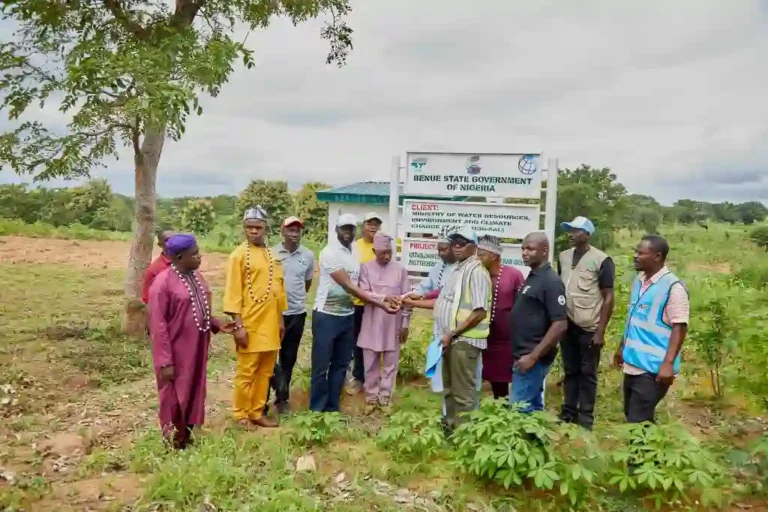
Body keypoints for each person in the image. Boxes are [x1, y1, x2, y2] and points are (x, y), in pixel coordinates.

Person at [147, 234, 233, 449]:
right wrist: (165, 362)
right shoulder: (162, 283)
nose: (199, 256)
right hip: (176, 350)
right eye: (194, 254)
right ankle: (172, 440)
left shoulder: (196, 277)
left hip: (197, 347)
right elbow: (158, 325)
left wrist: (217, 324)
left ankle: (189, 433)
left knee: (195, 388)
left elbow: (198, 309)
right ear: (178, 257)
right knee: (174, 394)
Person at [311, 214, 399, 413]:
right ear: (336, 230)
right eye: (344, 228)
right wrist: (380, 303)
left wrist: (383, 297)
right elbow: (349, 286)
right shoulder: (329, 252)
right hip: (326, 315)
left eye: (351, 228)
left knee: (341, 365)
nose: (347, 232)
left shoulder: (355, 254)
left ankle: (332, 408)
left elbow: (360, 287)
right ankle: (316, 410)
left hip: (347, 316)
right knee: (321, 366)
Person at [224, 206, 287, 429]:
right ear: (244, 228)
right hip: (249, 324)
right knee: (247, 371)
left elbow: (279, 289)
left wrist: (280, 320)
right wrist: (238, 326)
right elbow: (232, 293)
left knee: (266, 370)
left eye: (257, 227)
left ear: (265, 228)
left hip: (271, 324)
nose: (253, 231)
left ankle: (256, 411)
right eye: (249, 227)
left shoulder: (272, 254)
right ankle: (240, 414)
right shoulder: (238, 256)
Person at [614, 235, 689, 424]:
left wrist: (668, 364)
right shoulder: (639, 280)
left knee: (638, 421)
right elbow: (633, 318)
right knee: (633, 415)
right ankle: (648, 452)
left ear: (657, 256)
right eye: (635, 251)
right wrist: (622, 347)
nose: (635, 256)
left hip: (653, 370)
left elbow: (679, 326)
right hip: (633, 363)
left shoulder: (673, 287)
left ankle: (641, 454)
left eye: (640, 253)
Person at [557, 216, 615, 430]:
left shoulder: (602, 260)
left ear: (587, 234)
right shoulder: (563, 257)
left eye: (576, 230)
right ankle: (568, 411)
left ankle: (586, 418)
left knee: (587, 373)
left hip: (589, 326)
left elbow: (608, 296)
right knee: (570, 370)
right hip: (566, 324)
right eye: (569, 229)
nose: (571, 234)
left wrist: (600, 331)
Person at [434, 226, 491, 432]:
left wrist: (453, 333)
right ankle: (450, 430)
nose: (456, 247)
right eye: (454, 243)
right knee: (449, 390)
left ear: (474, 247)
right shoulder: (459, 268)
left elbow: (479, 312)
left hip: (464, 341)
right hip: (451, 340)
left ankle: (463, 438)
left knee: (463, 394)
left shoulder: (476, 271)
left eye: (462, 243)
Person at [509, 232, 568, 413]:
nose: (525, 253)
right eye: (523, 248)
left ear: (544, 251)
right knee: (533, 409)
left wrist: (533, 356)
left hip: (532, 358)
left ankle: (521, 441)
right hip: (523, 355)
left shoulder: (550, 281)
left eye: (530, 249)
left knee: (518, 409)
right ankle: (538, 440)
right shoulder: (534, 276)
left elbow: (560, 324)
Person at [357, 232, 411, 414]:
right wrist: (384, 297)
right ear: (374, 251)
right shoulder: (365, 268)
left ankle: (385, 398)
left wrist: (405, 323)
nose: (386, 256)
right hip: (371, 323)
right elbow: (363, 293)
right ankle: (371, 398)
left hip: (393, 324)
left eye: (389, 252)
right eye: (382, 253)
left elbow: (407, 299)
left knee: (390, 363)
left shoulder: (400, 270)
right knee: (370, 363)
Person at [267, 216, 315, 415]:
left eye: (297, 230)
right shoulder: (271, 254)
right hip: (273, 313)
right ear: (282, 231)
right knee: (268, 356)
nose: (294, 234)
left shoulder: (308, 256)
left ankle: (282, 399)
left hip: (297, 313)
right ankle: (264, 397)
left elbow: (307, 283)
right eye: (290, 230)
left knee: (289, 357)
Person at [476, 235, 525, 400]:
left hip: (507, 338)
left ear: (494, 256)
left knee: (505, 378)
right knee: (488, 376)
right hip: (484, 336)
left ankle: (506, 411)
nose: (478, 258)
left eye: (482, 254)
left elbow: (523, 306)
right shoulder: (477, 275)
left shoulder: (513, 275)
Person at [348, 212, 383, 396]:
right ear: (363, 226)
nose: (373, 227)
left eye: (377, 224)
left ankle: (375, 376)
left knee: (375, 340)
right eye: (370, 223)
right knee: (357, 341)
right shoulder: (354, 247)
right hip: (357, 302)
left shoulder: (381, 248)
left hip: (377, 303)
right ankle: (358, 376)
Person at [142, 228, 175, 304]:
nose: (173, 242)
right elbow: (147, 299)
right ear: (160, 245)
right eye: (167, 240)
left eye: (174, 239)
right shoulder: (154, 270)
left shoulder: (184, 262)